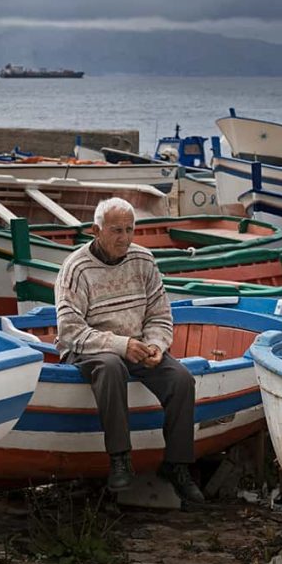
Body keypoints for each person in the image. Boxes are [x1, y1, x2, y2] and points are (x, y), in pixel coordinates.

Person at [54, 197, 205, 504]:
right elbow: (70, 331)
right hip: (88, 348)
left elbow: (160, 314)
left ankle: (176, 465)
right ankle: (120, 458)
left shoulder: (144, 260)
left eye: (129, 229)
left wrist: (156, 344)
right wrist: (121, 346)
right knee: (112, 368)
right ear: (96, 230)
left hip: (137, 344)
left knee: (181, 380)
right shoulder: (76, 269)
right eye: (115, 230)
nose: (124, 238)